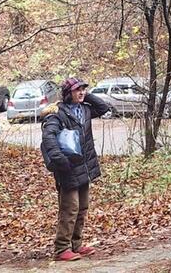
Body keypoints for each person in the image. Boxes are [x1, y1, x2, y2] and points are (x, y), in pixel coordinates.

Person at [40, 77, 112, 262]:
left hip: (84, 167)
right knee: (69, 209)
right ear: (67, 93)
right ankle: (61, 248)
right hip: (68, 168)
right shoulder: (58, 112)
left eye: (83, 89)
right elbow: (49, 137)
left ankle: (76, 245)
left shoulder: (85, 109)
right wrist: (60, 161)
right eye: (76, 90)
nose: (81, 92)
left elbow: (103, 108)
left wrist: (88, 95)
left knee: (82, 208)